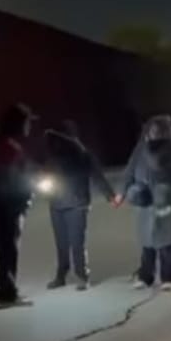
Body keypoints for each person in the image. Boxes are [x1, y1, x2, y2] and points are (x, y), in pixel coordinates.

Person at [43, 120, 117, 291]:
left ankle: (82, 276)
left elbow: (97, 176)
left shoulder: (82, 154)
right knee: (61, 243)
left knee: (77, 242)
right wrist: (46, 189)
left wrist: (110, 196)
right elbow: (45, 178)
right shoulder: (53, 157)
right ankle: (61, 275)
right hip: (57, 204)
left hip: (77, 203)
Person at [122, 115, 171, 291]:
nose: (153, 133)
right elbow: (130, 168)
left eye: (158, 130)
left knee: (165, 238)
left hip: (165, 198)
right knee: (147, 240)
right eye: (151, 130)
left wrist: (150, 146)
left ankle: (169, 277)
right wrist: (122, 192)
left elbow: (157, 164)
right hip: (145, 199)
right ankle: (145, 276)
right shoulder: (141, 147)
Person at [0, 103, 36, 304]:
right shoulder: (9, 147)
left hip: (3, 204)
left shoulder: (3, 144)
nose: (29, 126)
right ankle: (7, 289)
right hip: (9, 206)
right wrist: (24, 193)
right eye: (27, 122)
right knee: (9, 248)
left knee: (6, 248)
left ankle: (4, 286)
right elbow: (7, 178)